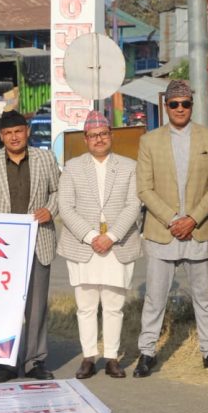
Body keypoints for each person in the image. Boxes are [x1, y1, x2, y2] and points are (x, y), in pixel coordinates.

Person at [134, 80, 208, 377]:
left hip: (199, 230)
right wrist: (173, 219)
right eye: (174, 104)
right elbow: (144, 189)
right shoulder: (149, 141)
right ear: (166, 106)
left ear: (192, 105)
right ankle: (147, 352)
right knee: (155, 297)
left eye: (185, 103)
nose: (180, 109)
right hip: (163, 231)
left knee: (204, 295)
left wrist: (192, 219)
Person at [58, 111, 142, 379]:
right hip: (84, 245)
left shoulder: (129, 166)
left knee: (114, 304)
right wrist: (92, 235)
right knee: (86, 305)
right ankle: (88, 357)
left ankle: (112, 358)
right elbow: (66, 207)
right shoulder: (72, 167)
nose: (99, 140)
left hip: (117, 244)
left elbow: (134, 205)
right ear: (85, 139)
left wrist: (112, 236)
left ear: (111, 136)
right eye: (93, 136)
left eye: (103, 134)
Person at [0, 110, 60, 383]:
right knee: (4, 307)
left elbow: (59, 191)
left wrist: (50, 209)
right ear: (1, 136)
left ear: (27, 132)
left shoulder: (45, 158)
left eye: (18, 131)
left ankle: (35, 360)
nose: (14, 137)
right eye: (8, 133)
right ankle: (5, 362)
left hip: (38, 241)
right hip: (2, 248)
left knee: (36, 306)